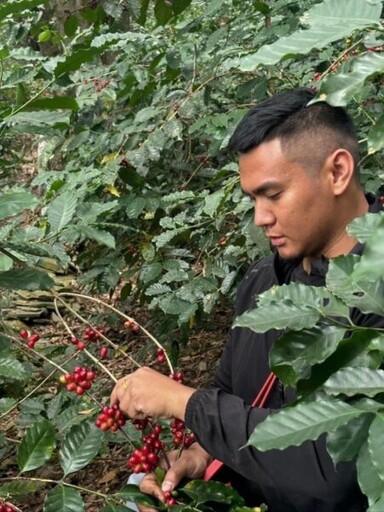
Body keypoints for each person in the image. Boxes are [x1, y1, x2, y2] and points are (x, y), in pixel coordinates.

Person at [110, 88, 384, 512]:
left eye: (273, 195)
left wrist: (183, 402)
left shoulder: (376, 293)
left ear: (338, 173)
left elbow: (334, 466)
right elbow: (233, 389)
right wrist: (201, 455)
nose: (260, 217)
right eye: (252, 199)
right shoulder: (263, 280)